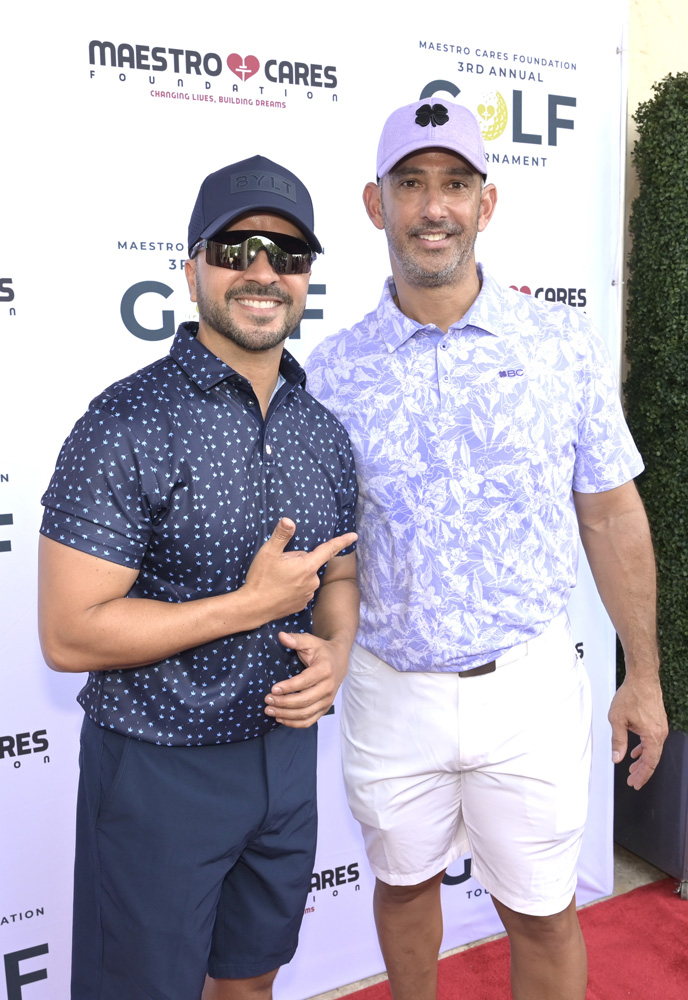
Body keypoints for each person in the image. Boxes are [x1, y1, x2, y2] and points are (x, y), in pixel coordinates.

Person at [304, 99, 668, 1000]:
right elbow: (327, 547)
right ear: (373, 203)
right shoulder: (333, 370)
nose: (435, 207)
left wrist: (645, 677)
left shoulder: (558, 345)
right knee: (401, 888)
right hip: (390, 690)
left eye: (456, 184)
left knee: (545, 912)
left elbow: (614, 517)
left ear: (487, 204)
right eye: (412, 184)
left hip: (531, 691)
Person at [38, 154, 359, 1000]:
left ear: (306, 279)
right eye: (237, 248)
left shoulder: (322, 429)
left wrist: (338, 652)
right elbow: (69, 632)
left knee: (251, 980)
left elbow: (340, 576)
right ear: (192, 270)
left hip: (287, 765)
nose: (263, 272)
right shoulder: (124, 421)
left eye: (287, 256)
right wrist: (248, 606)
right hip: (156, 768)